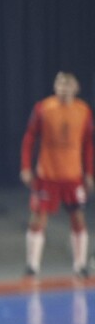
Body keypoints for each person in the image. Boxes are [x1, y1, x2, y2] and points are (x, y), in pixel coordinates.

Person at [20, 72, 94, 279]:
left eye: (68, 84)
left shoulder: (84, 111)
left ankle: (80, 264)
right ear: (55, 86)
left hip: (73, 176)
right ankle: (32, 265)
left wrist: (89, 172)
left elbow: (88, 144)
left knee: (78, 218)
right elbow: (29, 137)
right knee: (38, 218)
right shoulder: (43, 108)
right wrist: (26, 167)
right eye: (60, 83)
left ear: (76, 87)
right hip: (48, 174)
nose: (63, 87)